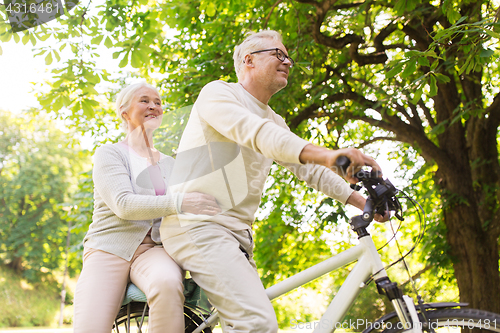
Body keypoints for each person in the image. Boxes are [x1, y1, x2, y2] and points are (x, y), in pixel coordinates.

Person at [160, 30, 388, 333]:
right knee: (258, 324)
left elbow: (309, 169)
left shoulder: (275, 121)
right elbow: (254, 132)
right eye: (278, 54)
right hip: (198, 226)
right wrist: (329, 155)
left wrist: (364, 202)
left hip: (236, 236)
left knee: (248, 321)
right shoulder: (218, 93)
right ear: (249, 60)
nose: (287, 62)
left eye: (288, 57)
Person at [73, 82, 220, 333]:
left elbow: (189, 209)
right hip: (109, 249)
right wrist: (181, 203)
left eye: (158, 102)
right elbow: (124, 204)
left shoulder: (172, 163)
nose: (153, 105)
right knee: (90, 327)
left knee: (167, 283)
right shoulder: (110, 154)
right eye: (144, 100)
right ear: (124, 112)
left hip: (155, 250)